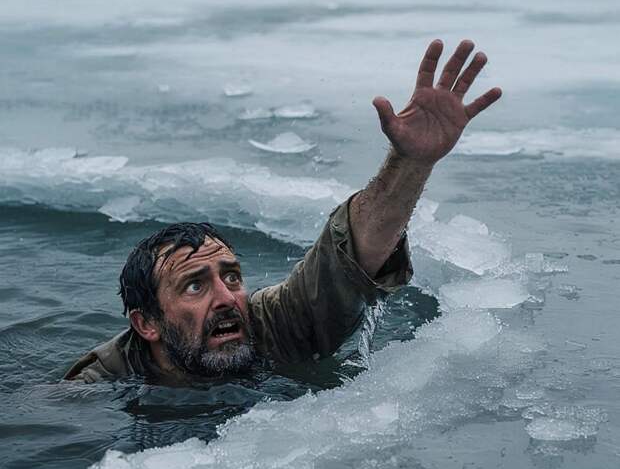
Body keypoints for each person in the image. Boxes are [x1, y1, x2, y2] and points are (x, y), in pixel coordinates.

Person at [64, 39, 501, 385]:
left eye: (231, 277)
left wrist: (412, 162)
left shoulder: (269, 326)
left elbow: (346, 261)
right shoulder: (102, 382)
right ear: (147, 324)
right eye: (195, 286)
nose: (227, 299)